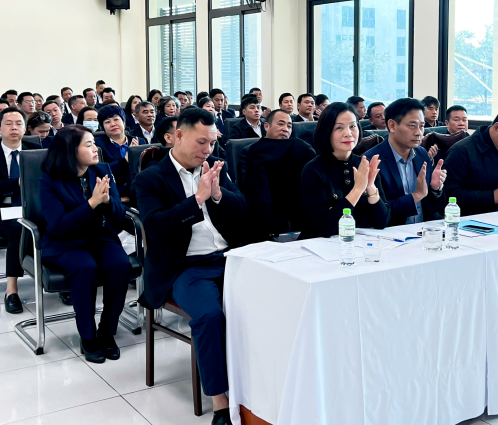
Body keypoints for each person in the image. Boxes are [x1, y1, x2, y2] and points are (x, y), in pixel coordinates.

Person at [133, 108, 245, 425]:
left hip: (230, 257)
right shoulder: (150, 178)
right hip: (185, 266)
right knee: (209, 316)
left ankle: (259, 382)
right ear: (178, 135)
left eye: (212, 143)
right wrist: (196, 200)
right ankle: (220, 403)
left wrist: (219, 195)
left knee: (270, 300)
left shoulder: (216, 167)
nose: (208, 150)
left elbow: (243, 209)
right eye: (201, 142)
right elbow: (155, 227)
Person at [39, 126, 131, 364]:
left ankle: (107, 332)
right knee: (85, 268)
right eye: (88, 145)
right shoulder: (50, 179)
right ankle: (88, 336)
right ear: (71, 151)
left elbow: (119, 215)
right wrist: (92, 203)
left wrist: (107, 202)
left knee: (120, 265)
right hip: (65, 242)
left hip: (99, 237)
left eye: (94, 143)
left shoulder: (102, 169)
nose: (95, 149)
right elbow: (58, 226)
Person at [0, 107, 42, 313]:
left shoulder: (35, 151)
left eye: (19, 123)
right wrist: (18, 183)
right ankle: (11, 290)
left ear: (25, 128)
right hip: (1, 209)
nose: (14, 127)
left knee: (57, 222)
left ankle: (57, 279)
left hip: (31, 207)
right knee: (20, 228)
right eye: (8, 124)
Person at [300, 102, 390, 239]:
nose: (348, 134)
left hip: (358, 243)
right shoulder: (313, 170)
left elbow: (382, 222)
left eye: (353, 126)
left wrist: (371, 188)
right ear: (326, 131)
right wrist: (358, 189)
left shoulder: (364, 164)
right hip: (319, 246)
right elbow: (324, 228)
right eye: (339, 128)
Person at [363, 98, 447, 226]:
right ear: (392, 125)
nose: (419, 132)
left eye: (421, 126)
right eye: (412, 126)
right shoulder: (372, 161)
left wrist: (435, 189)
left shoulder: (421, 154)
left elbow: (434, 206)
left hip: (424, 229)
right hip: (391, 232)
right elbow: (376, 213)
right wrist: (416, 196)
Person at [244, 109, 316, 241]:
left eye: (289, 126)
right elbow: (256, 188)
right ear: (266, 126)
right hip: (268, 211)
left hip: (298, 208)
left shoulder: (301, 147)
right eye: (281, 124)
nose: (285, 129)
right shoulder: (255, 150)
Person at [94, 105, 138, 198]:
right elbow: (99, 171)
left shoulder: (138, 141)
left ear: (123, 121)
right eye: (107, 122)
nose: (113, 124)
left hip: (139, 192)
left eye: (116, 119)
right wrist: (125, 161)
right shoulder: (97, 144)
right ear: (102, 126)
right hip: (114, 195)